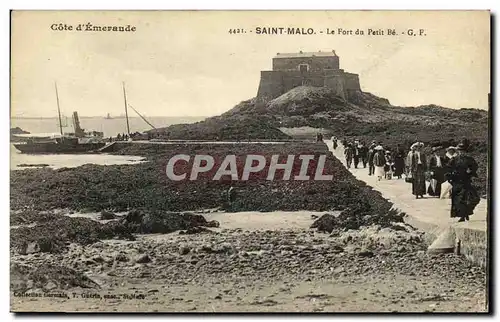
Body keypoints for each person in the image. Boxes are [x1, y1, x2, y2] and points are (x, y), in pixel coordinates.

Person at [448, 140, 480, 222]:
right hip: (457, 182)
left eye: (463, 151)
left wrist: (471, 171)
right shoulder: (454, 159)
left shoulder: (469, 159)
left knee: (474, 198)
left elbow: (475, 166)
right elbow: (448, 168)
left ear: (465, 152)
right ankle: (462, 216)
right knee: (459, 200)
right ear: (458, 151)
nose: (461, 153)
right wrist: (451, 177)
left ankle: (467, 212)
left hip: (466, 181)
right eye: (460, 151)